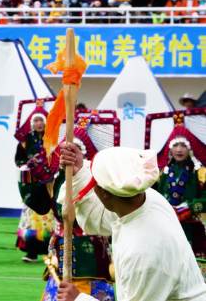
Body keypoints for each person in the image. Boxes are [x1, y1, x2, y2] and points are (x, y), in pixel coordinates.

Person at [56, 145, 206, 301]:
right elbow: (98, 218)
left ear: (103, 194)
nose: (92, 189)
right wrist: (79, 172)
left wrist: (78, 299)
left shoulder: (143, 253)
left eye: (93, 184)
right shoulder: (147, 198)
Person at [24, 114, 116, 300]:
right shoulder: (55, 180)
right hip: (61, 252)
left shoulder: (100, 181)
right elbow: (38, 204)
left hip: (93, 257)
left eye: (75, 151)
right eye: (66, 151)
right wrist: (32, 173)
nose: (69, 156)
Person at [150, 109, 205, 262]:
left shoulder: (200, 173)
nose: (179, 149)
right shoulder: (161, 173)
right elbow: (150, 196)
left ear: (190, 149)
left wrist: (189, 207)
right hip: (166, 226)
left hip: (192, 228)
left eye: (183, 145)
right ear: (170, 148)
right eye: (176, 145)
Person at [14, 99, 55, 263]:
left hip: (48, 184)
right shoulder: (25, 141)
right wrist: (26, 167)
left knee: (50, 219)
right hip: (31, 185)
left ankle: (50, 251)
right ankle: (31, 252)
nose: (39, 124)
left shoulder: (51, 139)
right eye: (36, 121)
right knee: (31, 219)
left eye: (41, 121)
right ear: (32, 123)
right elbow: (18, 161)